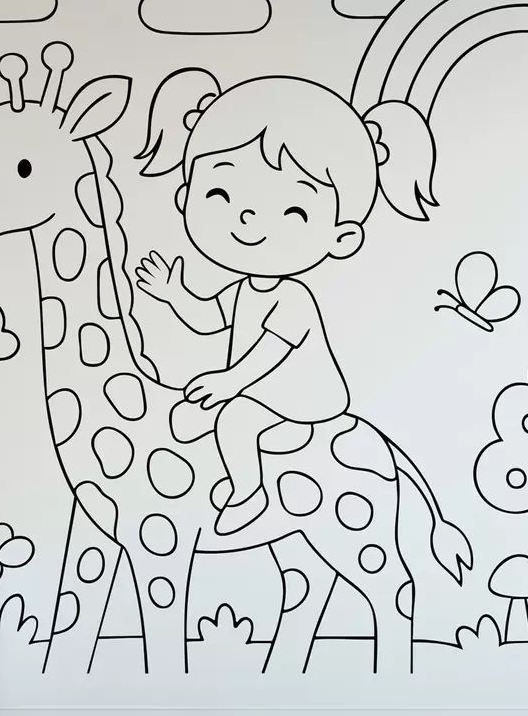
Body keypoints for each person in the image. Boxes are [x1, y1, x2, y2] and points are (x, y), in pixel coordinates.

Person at [135, 69, 435, 534]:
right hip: (256, 388)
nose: (247, 217)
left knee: (234, 419)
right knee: (193, 414)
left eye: (293, 211)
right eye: (220, 192)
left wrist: (229, 382)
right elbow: (210, 318)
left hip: (302, 398)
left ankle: (247, 493)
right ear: (185, 196)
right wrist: (175, 294)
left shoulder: (293, 298)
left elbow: (271, 351)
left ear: (341, 237)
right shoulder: (244, 290)